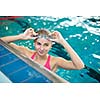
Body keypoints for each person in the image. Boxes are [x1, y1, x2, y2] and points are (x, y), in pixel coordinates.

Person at [0, 28, 84, 72]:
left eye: (46, 45)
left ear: (51, 46)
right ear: (34, 43)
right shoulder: (26, 52)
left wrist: (63, 42)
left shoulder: (55, 61)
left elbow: (79, 66)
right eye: (39, 44)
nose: (41, 48)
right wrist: (21, 37)